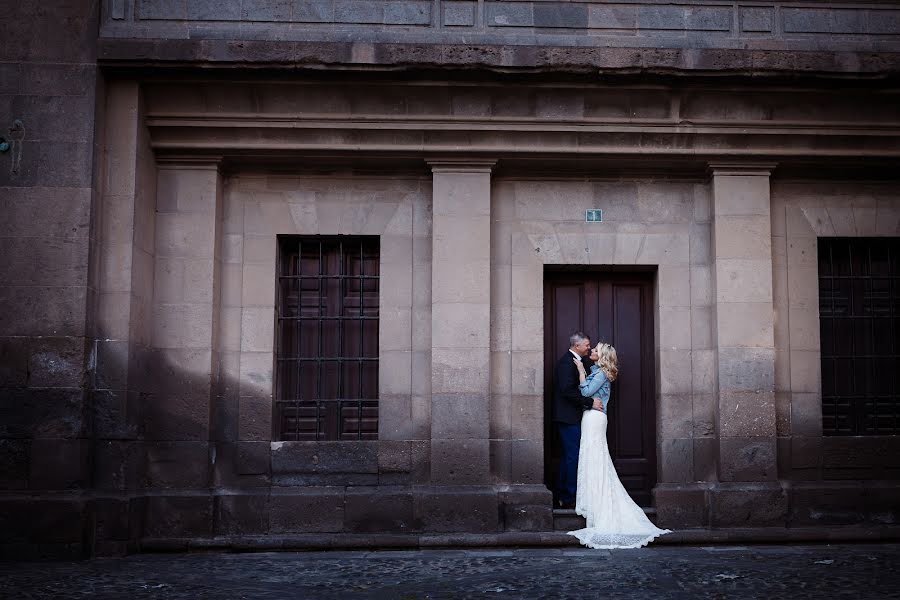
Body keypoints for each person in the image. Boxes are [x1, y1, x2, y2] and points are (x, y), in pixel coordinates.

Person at [568, 342, 672, 549]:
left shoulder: (600, 374)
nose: (592, 352)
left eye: (596, 350)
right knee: (593, 458)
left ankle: (601, 508)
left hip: (595, 418)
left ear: (603, 356)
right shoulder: (597, 372)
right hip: (592, 417)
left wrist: (580, 371)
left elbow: (586, 393)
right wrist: (583, 371)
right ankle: (595, 505)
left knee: (596, 458)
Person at [553, 332, 603, 509]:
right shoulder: (566, 363)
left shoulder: (578, 362)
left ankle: (563, 494)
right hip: (568, 418)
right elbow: (567, 391)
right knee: (572, 457)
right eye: (587, 345)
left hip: (572, 417)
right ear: (577, 346)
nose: (589, 348)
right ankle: (567, 497)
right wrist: (590, 402)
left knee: (570, 456)